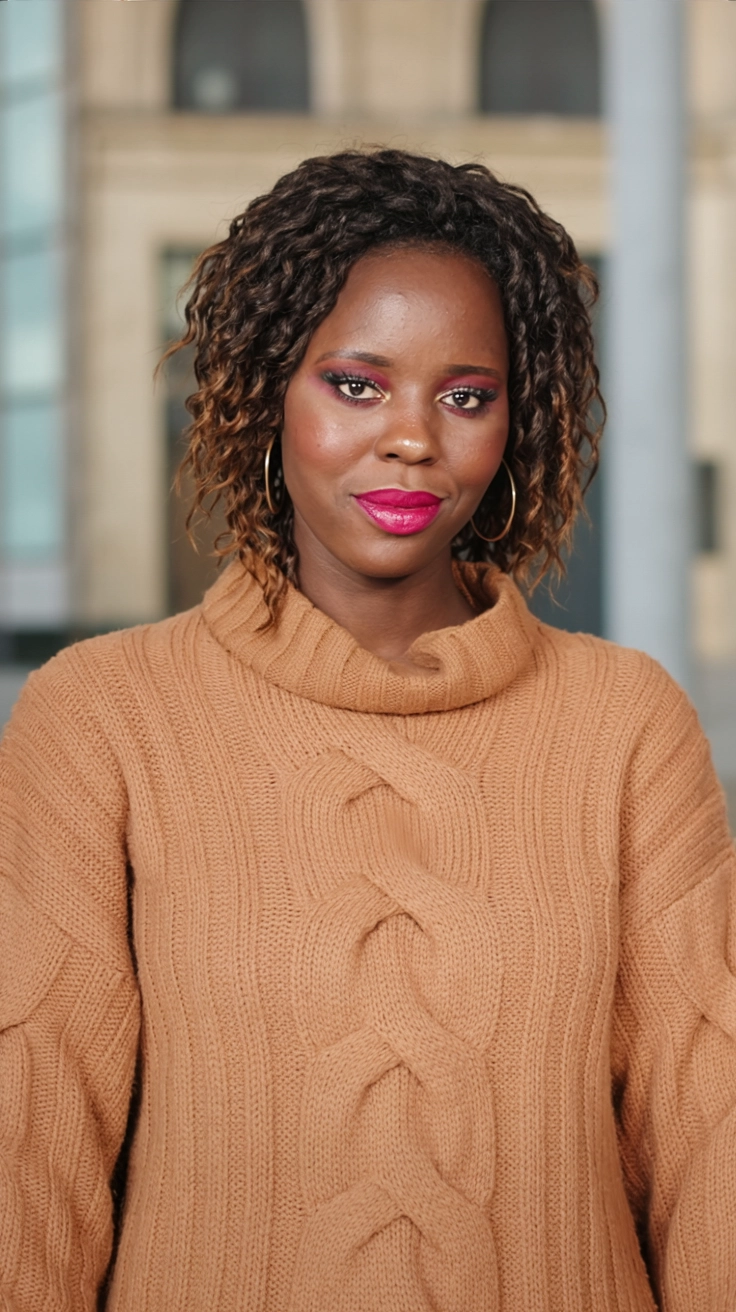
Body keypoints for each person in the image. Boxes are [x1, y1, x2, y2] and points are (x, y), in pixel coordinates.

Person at [1, 148, 734, 1312]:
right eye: (355, 384)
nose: (411, 438)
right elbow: (30, 1147)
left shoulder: (625, 725)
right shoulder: (102, 718)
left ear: (515, 422)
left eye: (465, 395)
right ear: (265, 392)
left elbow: (709, 1143)